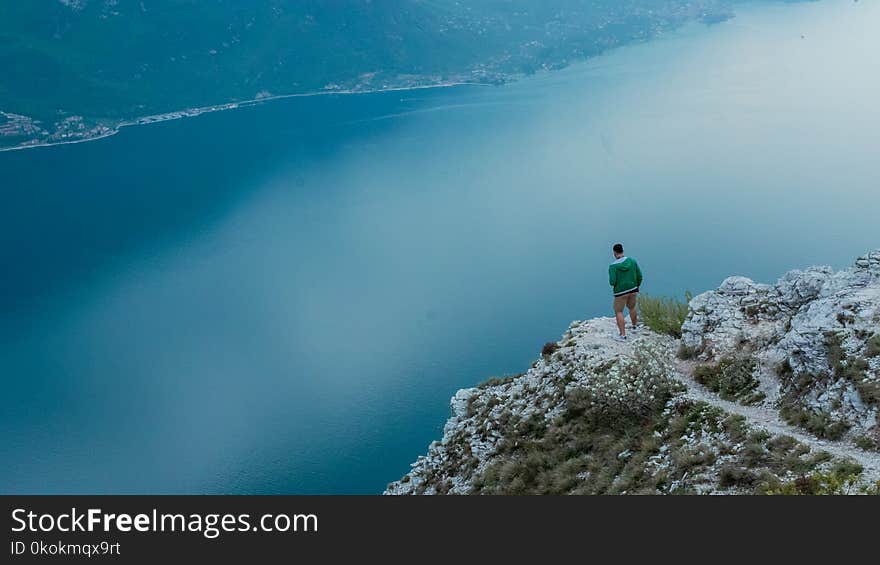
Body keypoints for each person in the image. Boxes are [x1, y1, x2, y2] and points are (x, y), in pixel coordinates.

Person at [608, 243, 643, 341]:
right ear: (623, 250)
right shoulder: (632, 261)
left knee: (618, 311)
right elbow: (640, 275)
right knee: (632, 307)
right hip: (633, 288)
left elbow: (612, 282)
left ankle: (623, 335)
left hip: (621, 292)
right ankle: (635, 327)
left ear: (614, 253)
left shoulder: (613, 267)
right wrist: (637, 286)